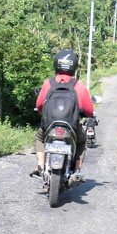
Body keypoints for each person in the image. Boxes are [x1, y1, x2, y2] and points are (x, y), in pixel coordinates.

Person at [31, 49, 94, 178]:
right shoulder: (79, 85)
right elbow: (89, 111)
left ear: (56, 64)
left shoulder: (48, 83)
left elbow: (39, 105)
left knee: (39, 138)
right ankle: (77, 169)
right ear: (74, 66)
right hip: (72, 127)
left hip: (49, 126)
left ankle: (40, 165)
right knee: (82, 141)